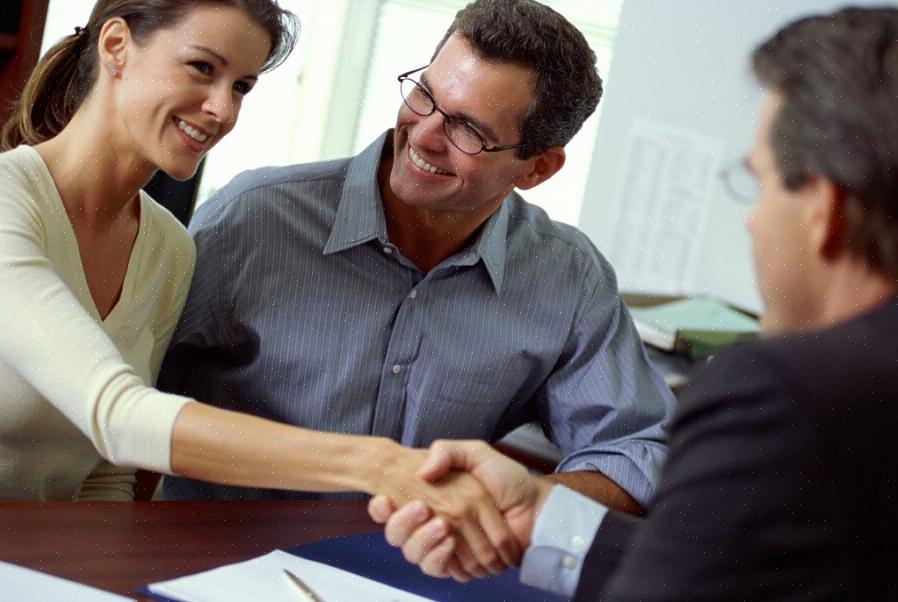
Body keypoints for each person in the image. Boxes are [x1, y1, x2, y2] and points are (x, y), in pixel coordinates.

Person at [370, 6, 898, 600]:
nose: (751, 220)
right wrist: (540, 514)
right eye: (423, 95)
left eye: (760, 181)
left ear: (822, 210)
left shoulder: (781, 394)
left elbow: (664, 508)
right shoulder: (258, 214)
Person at [0, 0, 521, 572]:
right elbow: (122, 418)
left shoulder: (169, 249)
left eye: (242, 85)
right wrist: (383, 466)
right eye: (202, 68)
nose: (222, 110)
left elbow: (105, 474)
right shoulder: (7, 202)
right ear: (117, 46)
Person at [159, 0, 675, 514]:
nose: (424, 135)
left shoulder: (568, 277)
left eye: (469, 130)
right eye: (425, 95)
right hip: (222, 563)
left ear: (537, 168)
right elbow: (134, 409)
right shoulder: (254, 219)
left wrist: (516, 503)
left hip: (416, 575)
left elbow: (639, 454)